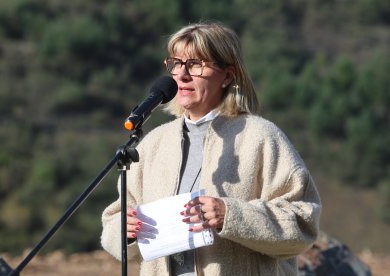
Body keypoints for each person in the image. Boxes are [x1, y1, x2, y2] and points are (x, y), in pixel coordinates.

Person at [101, 21, 321, 276]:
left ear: (227, 76)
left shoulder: (261, 137)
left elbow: (302, 224)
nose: (181, 75)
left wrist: (230, 214)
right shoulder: (153, 144)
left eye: (195, 64)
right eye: (176, 63)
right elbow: (113, 220)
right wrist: (124, 230)